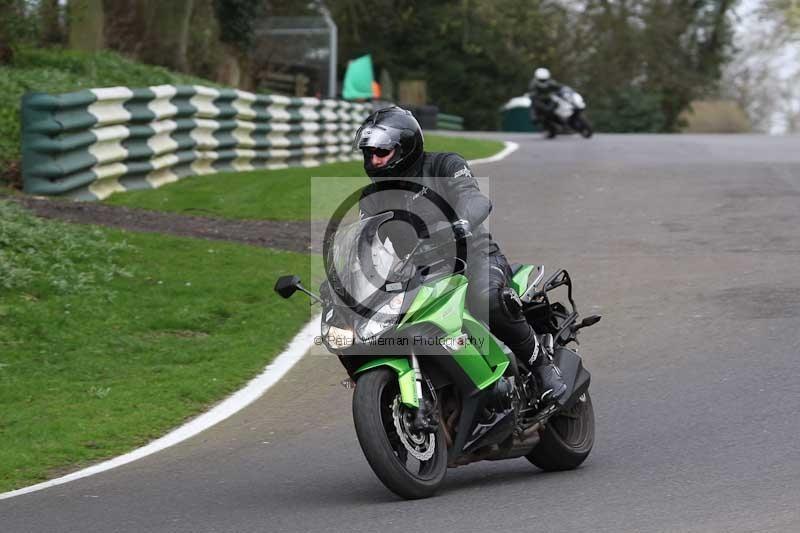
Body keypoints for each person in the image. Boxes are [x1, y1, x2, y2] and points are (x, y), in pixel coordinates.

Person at [352, 105, 566, 403]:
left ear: (406, 147)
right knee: (379, 328)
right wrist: (349, 276)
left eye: (382, 152)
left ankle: (542, 367)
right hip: (422, 276)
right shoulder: (372, 199)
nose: (373, 160)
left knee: (486, 299)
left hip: (474, 258)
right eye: (369, 153)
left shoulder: (444, 166)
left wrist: (460, 222)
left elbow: (473, 197)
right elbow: (366, 242)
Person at [528, 67, 563, 139]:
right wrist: (533, 95)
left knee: (558, 105)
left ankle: (562, 121)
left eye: (544, 79)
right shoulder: (533, 83)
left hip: (549, 100)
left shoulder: (551, 82)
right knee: (534, 110)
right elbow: (531, 92)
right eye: (541, 80)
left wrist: (562, 90)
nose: (543, 81)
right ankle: (539, 122)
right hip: (539, 101)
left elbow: (559, 87)